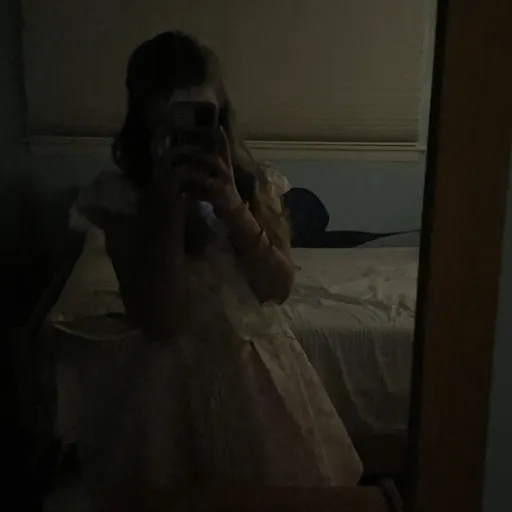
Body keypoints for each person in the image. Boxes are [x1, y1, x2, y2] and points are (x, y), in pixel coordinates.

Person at [50, 31, 362, 494]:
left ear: (220, 116)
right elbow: (161, 320)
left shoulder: (253, 182)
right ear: (146, 122)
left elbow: (277, 287)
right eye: (171, 124)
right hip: (169, 383)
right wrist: (168, 209)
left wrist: (232, 205)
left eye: (200, 118)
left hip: (256, 373)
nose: (187, 138)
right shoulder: (122, 199)